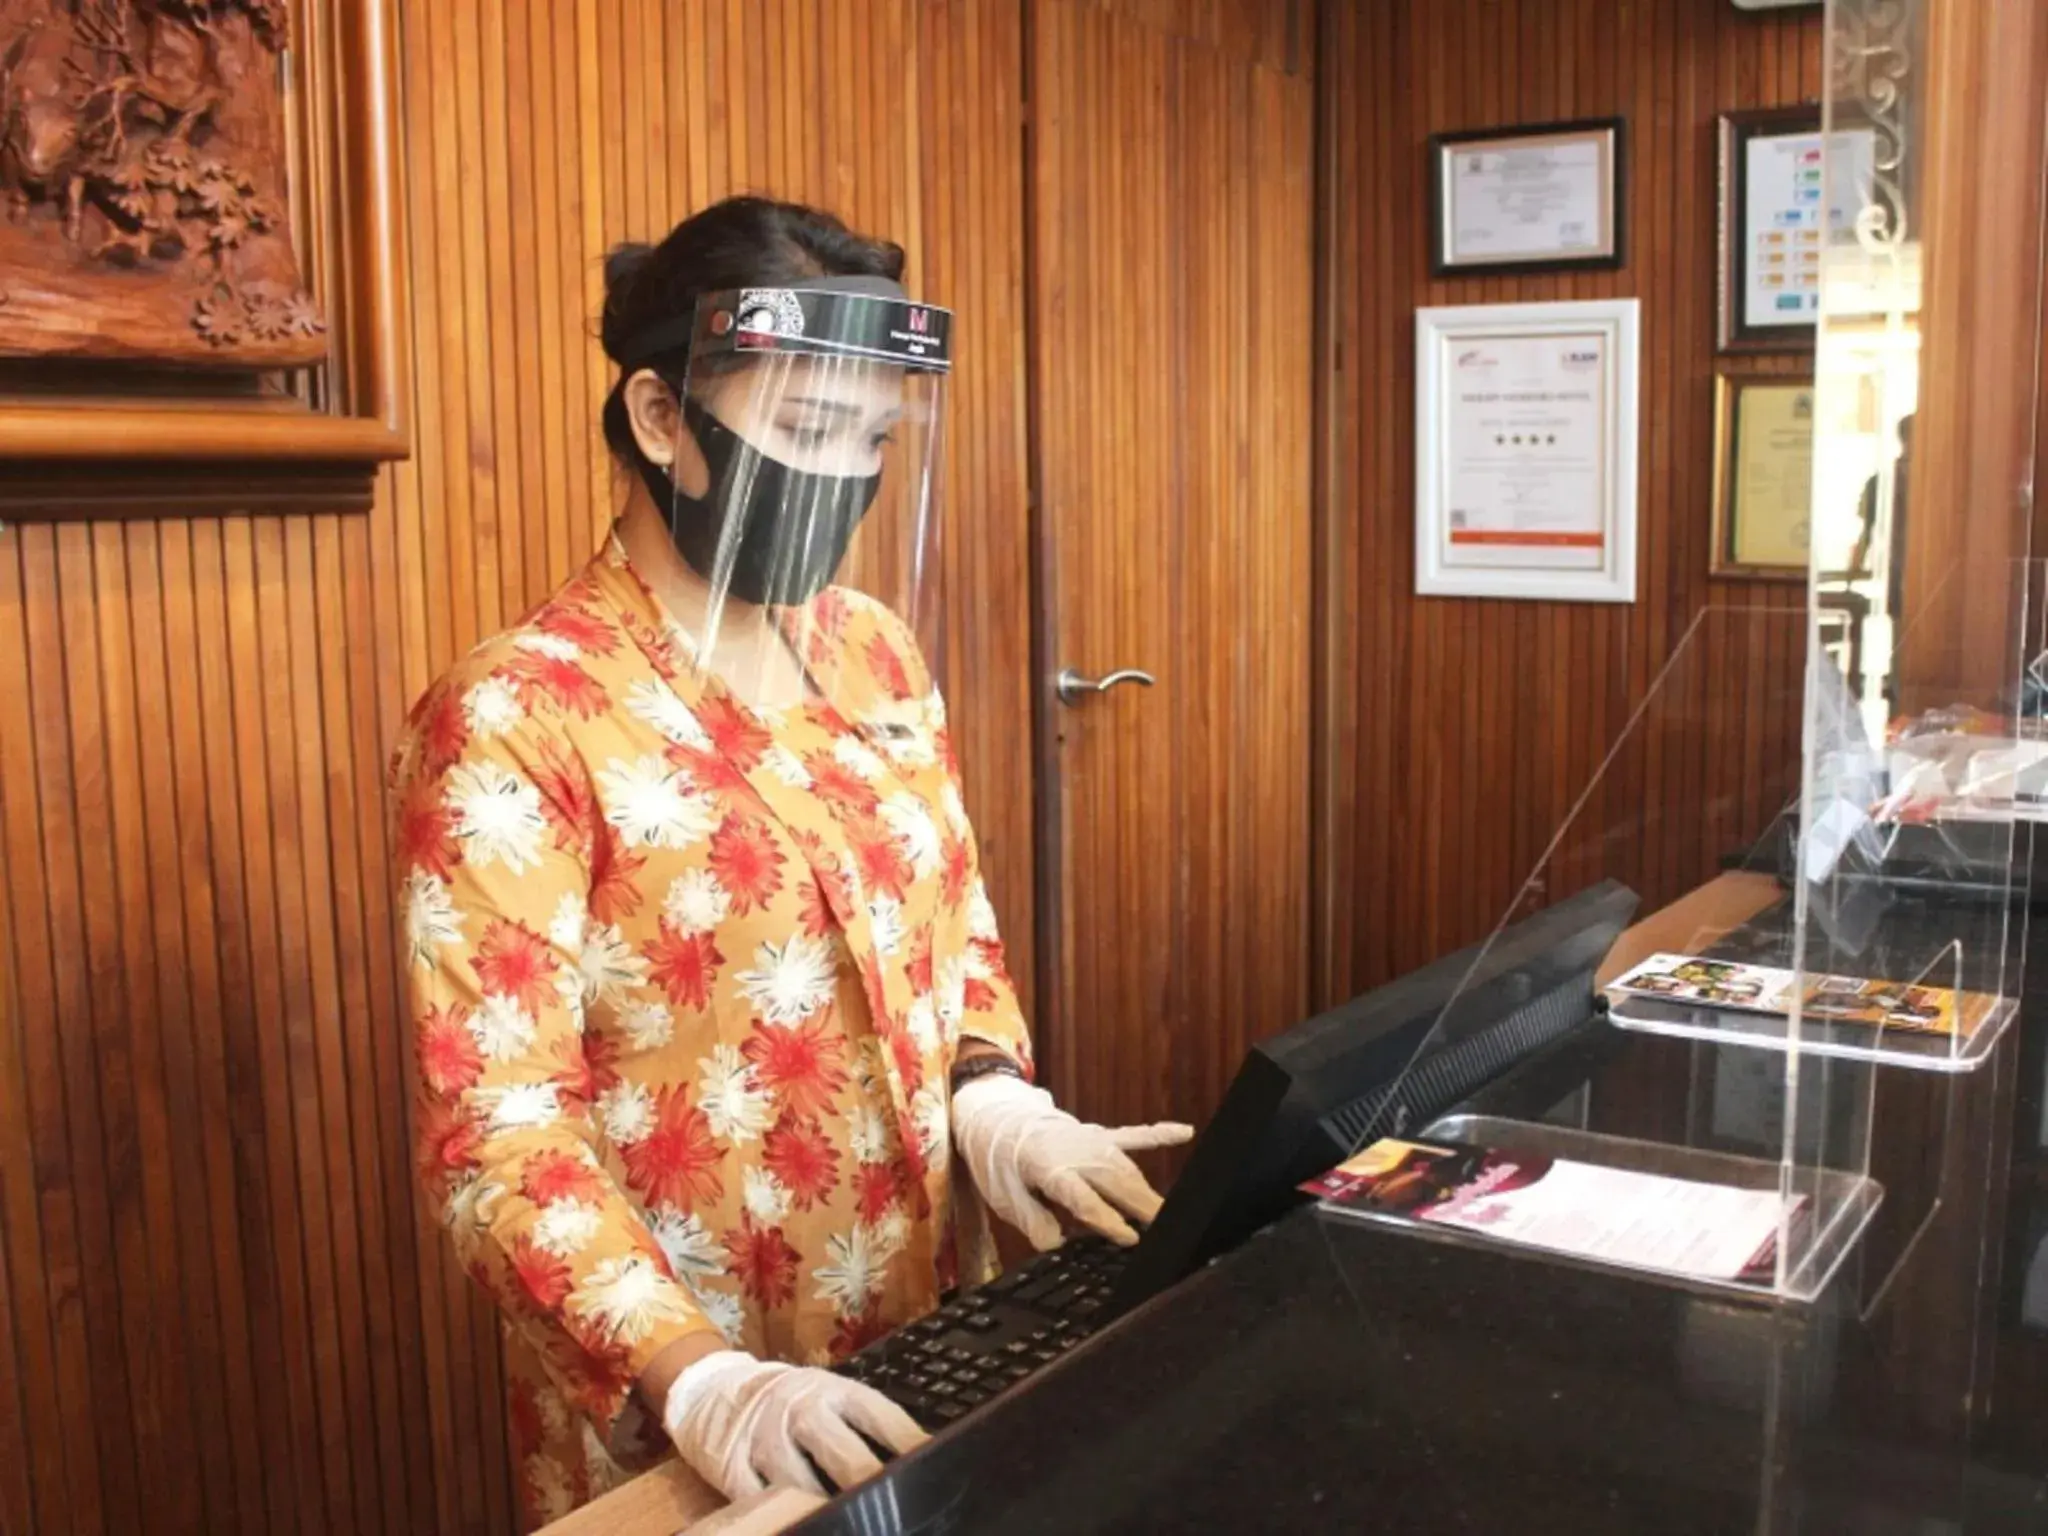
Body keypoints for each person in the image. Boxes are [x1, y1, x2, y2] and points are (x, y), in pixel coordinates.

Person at [390, 195, 1192, 1529]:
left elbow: (957, 936)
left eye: (873, 439)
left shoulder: (872, 647)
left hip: (933, 1336)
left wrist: (994, 1103)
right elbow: (497, 1140)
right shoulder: (519, 715)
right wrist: (704, 1381)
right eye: (807, 433)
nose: (843, 477)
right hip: (697, 1403)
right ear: (661, 420)